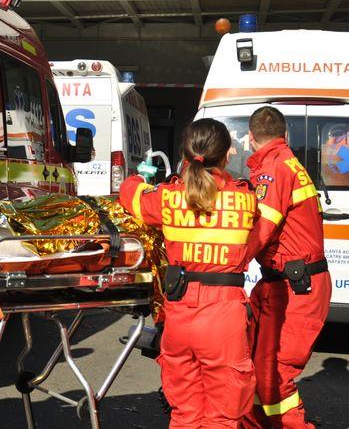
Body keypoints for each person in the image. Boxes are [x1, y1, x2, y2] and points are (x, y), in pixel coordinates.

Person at [119, 118, 262, 428]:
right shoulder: (246, 199)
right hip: (223, 318)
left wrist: (139, 179)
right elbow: (256, 239)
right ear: (227, 155)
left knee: (184, 413)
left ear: (185, 155)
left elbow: (130, 197)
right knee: (222, 416)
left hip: (179, 315)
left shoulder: (169, 197)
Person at [242, 106, 331, 429]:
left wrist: (224, 266)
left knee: (274, 375)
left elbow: (262, 229)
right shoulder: (284, 163)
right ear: (286, 135)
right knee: (253, 368)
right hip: (281, 284)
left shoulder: (274, 169)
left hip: (296, 288)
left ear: (250, 138)